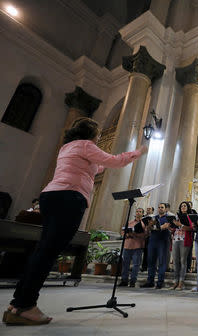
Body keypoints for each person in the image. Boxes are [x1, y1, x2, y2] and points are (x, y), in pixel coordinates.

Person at [4, 117, 147, 325]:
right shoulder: (86, 145)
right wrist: (137, 153)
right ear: (91, 134)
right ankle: (25, 306)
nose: (98, 138)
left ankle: (16, 304)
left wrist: (101, 165)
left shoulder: (67, 147)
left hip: (50, 196)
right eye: (97, 134)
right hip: (69, 198)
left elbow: (92, 168)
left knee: (42, 251)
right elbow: (116, 161)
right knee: (48, 253)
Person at [141, 203, 171, 289]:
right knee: (151, 261)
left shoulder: (168, 218)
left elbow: (165, 227)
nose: (160, 209)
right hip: (152, 240)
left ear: (165, 209)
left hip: (163, 241)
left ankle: (159, 282)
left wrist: (155, 227)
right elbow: (148, 229)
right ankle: (150, 281)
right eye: (159, 207)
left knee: (161, 262)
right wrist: (149, 225)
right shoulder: (154, 217)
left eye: (162, 207)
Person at [119, 208, 147, 288]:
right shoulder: (130, 222)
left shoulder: (143, 224)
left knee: (136, 265)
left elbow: (145, 234)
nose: (138, 213)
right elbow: (123, 232)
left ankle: (132, 281)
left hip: (137, 246)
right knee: (125, 264)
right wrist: (127, 234)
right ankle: (124, 280)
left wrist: (135, 234)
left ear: (142, 214)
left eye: (140, 212)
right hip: (127, 245)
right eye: (137, 211)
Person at [170, 202, 194, 290]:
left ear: (188, 207)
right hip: (176, 239)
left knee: (183, 261)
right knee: (175, 261)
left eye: (185, 206)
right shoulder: (176, 216)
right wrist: (171, 228)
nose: (183, 207)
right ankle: (175, 281)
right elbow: (174, 228)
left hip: (184, 239)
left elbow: (192, 228)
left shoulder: (190, 216)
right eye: (181, 206)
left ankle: (181, 282)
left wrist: (180, 225)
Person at [141, 207, 154, 272]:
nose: (148, 210)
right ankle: (143, 266)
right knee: (144, 252)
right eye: (147, 209)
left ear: (152, 211)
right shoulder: (143, 217)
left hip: (150, 236)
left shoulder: (154, 217)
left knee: (148, 252)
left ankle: (147, 266)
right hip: (143, 236)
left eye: (149, 209)